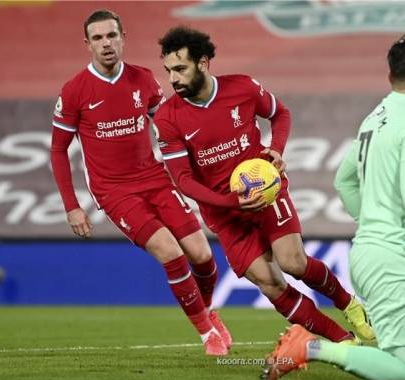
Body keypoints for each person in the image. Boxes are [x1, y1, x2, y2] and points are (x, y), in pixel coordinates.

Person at [261, 31, 405, 380]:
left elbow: (344, 181)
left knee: (398, 361)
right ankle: (309, 347)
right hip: (394, 259)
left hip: (367, 253)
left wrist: (372, 221)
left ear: (390, 76)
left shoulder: (374, 117)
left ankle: (309, 347)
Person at [154, 26, 375, 344]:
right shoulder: (167, 118)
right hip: (225, 213)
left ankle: (349, 304)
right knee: (270, 284)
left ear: (203, 63)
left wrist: (277, 149)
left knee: (293, 263)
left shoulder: (242, 88)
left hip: (266, 192)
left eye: (180, 69)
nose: (173, 79)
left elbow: (280, 113)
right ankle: (344, 341)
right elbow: (182, 180)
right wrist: (232, 202)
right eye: (168, 71)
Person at [50, 10, 232, 356]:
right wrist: (72, 206)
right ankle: (207, 334)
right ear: (87, 44)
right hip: (114, 190)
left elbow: (168, 126)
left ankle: (207, 312)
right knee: (170, 252)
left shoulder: (144, 79)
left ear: (123, 38)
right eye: (98, 38)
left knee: (203, 254)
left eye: (112, 36)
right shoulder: (74, 91)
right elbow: (58, 150)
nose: (106, 43)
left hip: (154, 178)